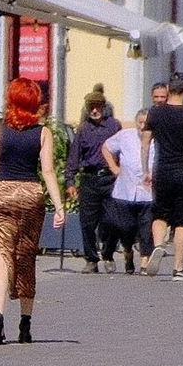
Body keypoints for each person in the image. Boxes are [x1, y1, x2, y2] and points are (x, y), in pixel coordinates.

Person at [0, 78, 66, 345]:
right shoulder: (43, 133)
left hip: (3, 195)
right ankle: (25, 323)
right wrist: (59, 207)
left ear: (11, 100)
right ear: (34, 102)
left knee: (2, 256)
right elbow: (48, 171)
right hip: (30, 196)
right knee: (26, 256)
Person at [143, 71, 183, 280]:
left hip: (161, 170)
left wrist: (146, 170)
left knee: (160, 214)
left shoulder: (155, 113)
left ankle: (158, 245)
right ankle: (178, 268)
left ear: (168, 89)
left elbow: (145, 143)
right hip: (182, 171)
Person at [66, 88, 122, 274]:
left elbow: (123, 151)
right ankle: (91, 259)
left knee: (113, 220)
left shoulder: (114, 126)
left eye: (98, 107)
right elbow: (74, 156)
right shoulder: (83, 129)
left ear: (103, 107)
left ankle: (108, 254)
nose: (95, 110)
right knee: (88, 222)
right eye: (91, 107)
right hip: (89, 179)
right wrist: (70, 181)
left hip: (110, 179)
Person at [101, 108, 156, 273]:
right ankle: (128, 250)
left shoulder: (158, 139)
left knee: (146, 229)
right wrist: (114, 167)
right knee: (125, 227)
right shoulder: (125, 136)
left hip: (148, 193)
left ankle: (145, 261)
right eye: (140, 122)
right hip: (125, 190)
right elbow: (106, 147)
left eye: (146, 123)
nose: (143, 126)